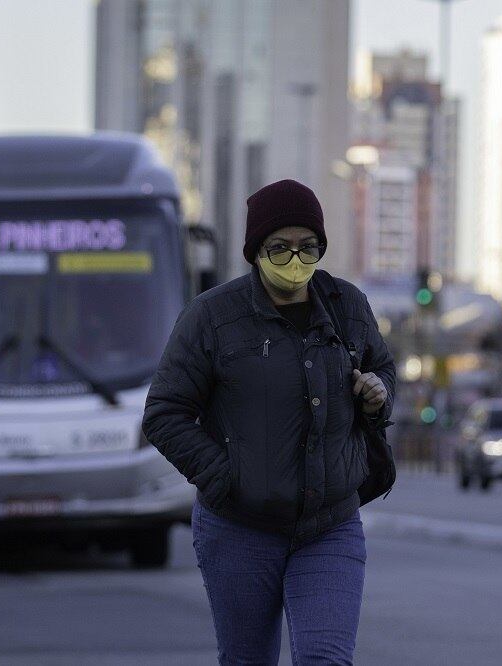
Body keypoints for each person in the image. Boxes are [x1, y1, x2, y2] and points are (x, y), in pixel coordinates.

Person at [143, 179, 395, 665]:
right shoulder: (212, 316)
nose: (295, 259)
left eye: (308, 247)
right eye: (279, 247)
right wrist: (226, 477)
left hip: (330, 524)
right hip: (239, 527)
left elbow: (382, 370)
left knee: (325, 657)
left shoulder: (349, 307)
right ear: (255, 251)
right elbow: (164, 413)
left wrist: (378, 395)